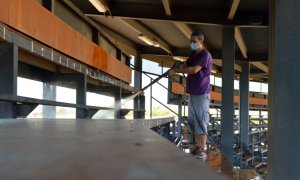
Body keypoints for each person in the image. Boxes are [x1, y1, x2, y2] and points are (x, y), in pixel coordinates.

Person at [168, 31, 212, 159]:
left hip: (201, 93)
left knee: (201, 121)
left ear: (201, 42)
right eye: (190, 41)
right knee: (193, 122)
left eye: (194, 41)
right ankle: (198, 148)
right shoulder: (193, 54)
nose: (192, 43)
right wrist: (179, 65)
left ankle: (202, 149)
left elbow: (194, 70)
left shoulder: (205, 54)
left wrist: (175, 70)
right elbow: (188, 65)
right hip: (192, 93)